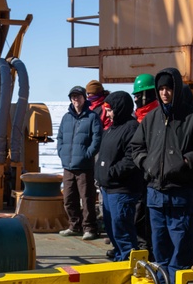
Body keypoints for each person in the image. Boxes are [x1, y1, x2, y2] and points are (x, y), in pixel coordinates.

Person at [129, 67, 193, 284]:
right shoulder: (151, 119)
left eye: (169, 88)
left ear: (176, 89)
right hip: (155, 194)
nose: (165, 93)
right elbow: (136, 147)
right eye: (161, 89)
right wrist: (146, 164)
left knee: (181, 245)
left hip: (180, 193)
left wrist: (185, 162)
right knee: (159, 245)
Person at [95, 90, 144, 260]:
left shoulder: (131, 128)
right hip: (108, 188)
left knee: (121, 228)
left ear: (120, 108)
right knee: (111, 227)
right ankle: (119, 255)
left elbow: (131, 159)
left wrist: (110, 173)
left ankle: (128, 261)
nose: (106, 114)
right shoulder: (111, 129)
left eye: (109, 110)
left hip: (123, 189)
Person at [57, 85, 103, 239]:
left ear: (84, 98)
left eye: (78, 96)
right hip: (68, 166)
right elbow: (60, 138)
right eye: (73, 96)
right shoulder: (66, 118)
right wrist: (62, 153)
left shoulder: (92, 117)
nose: (75, 99)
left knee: (87, 198)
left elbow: (97, 139)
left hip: (84, 167)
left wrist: (87, 155)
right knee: (69, 198)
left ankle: (90, 228)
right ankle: (74, 225)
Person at [131, 74, 156, 250]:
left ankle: (146, 248)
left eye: (139, 96)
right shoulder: (138, 118)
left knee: (144, 214)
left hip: (149, 175)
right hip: (137, 174)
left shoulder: (155, 117)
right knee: (137, 213)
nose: (136, 99)